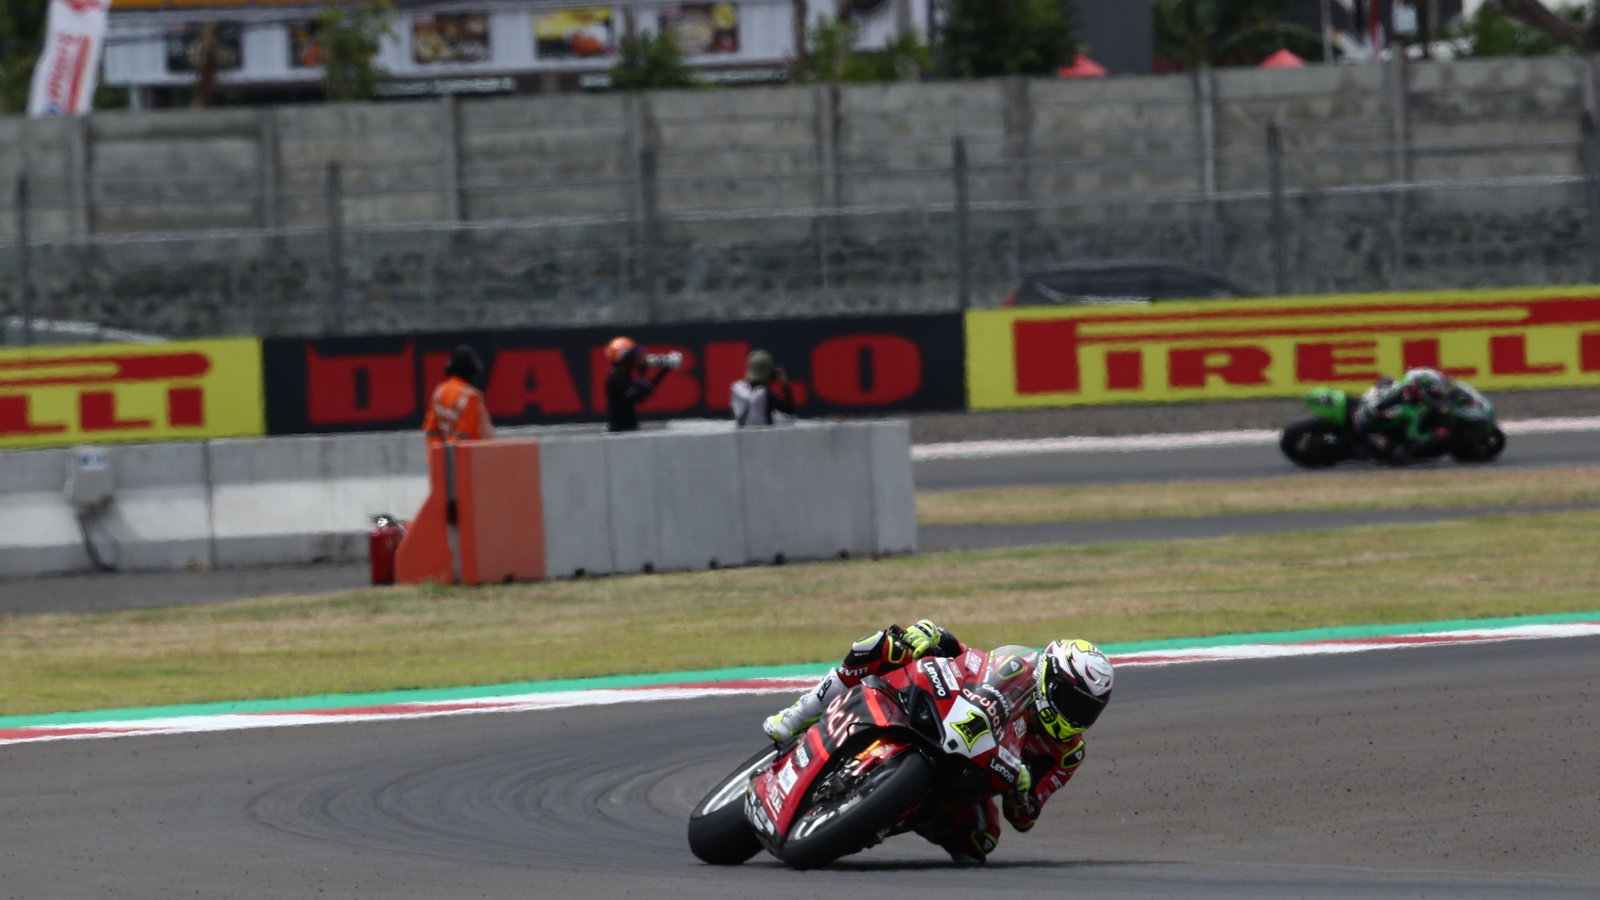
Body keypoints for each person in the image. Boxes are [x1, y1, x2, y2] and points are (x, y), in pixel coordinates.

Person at [761, 619, 1114, 864]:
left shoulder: (1068, 754)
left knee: (980, 842)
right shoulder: (1020, 667)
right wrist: (934, 635)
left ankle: (884, 817)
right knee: (882, 646)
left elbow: (1025, 818)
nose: (1078, 717)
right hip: (945, 716)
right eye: (1073, 702)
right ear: (1049, 682)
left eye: (1088, 710)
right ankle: (797, 716)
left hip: (975, 775)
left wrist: (1022, 791)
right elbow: (970, 658)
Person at [1352, 366, 1455, 461]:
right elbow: (1414, 438)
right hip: (1369, 427)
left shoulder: (1405, 389)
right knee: (1399, 453)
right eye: (1434, 393)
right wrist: (1434, 435)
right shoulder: (1407, 407)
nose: (1436, 396)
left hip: (1369, 411)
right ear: (1420, 388)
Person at [422, 345, 494, 446]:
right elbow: (464, 435)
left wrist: (439, 454)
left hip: (441, 458)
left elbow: (430, 429)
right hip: (469, 457)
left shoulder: (439, 392)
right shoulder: (471, 397)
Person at [603, 336, 678, 433]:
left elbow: (643, 392)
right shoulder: (616, 377)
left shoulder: (624, 374)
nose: (636, 359)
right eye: (632, 356)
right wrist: (642, 374)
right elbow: (638, 396)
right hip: (619, 431)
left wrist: (663, 371)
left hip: (627, 429)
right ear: (624, 359)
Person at [730, 349, 795, 427]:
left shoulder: (736, 388)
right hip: (764, 437)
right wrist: (785, 385)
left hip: (741, 435)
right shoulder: (766, 394)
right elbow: (789, 410)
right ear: (769, 372)